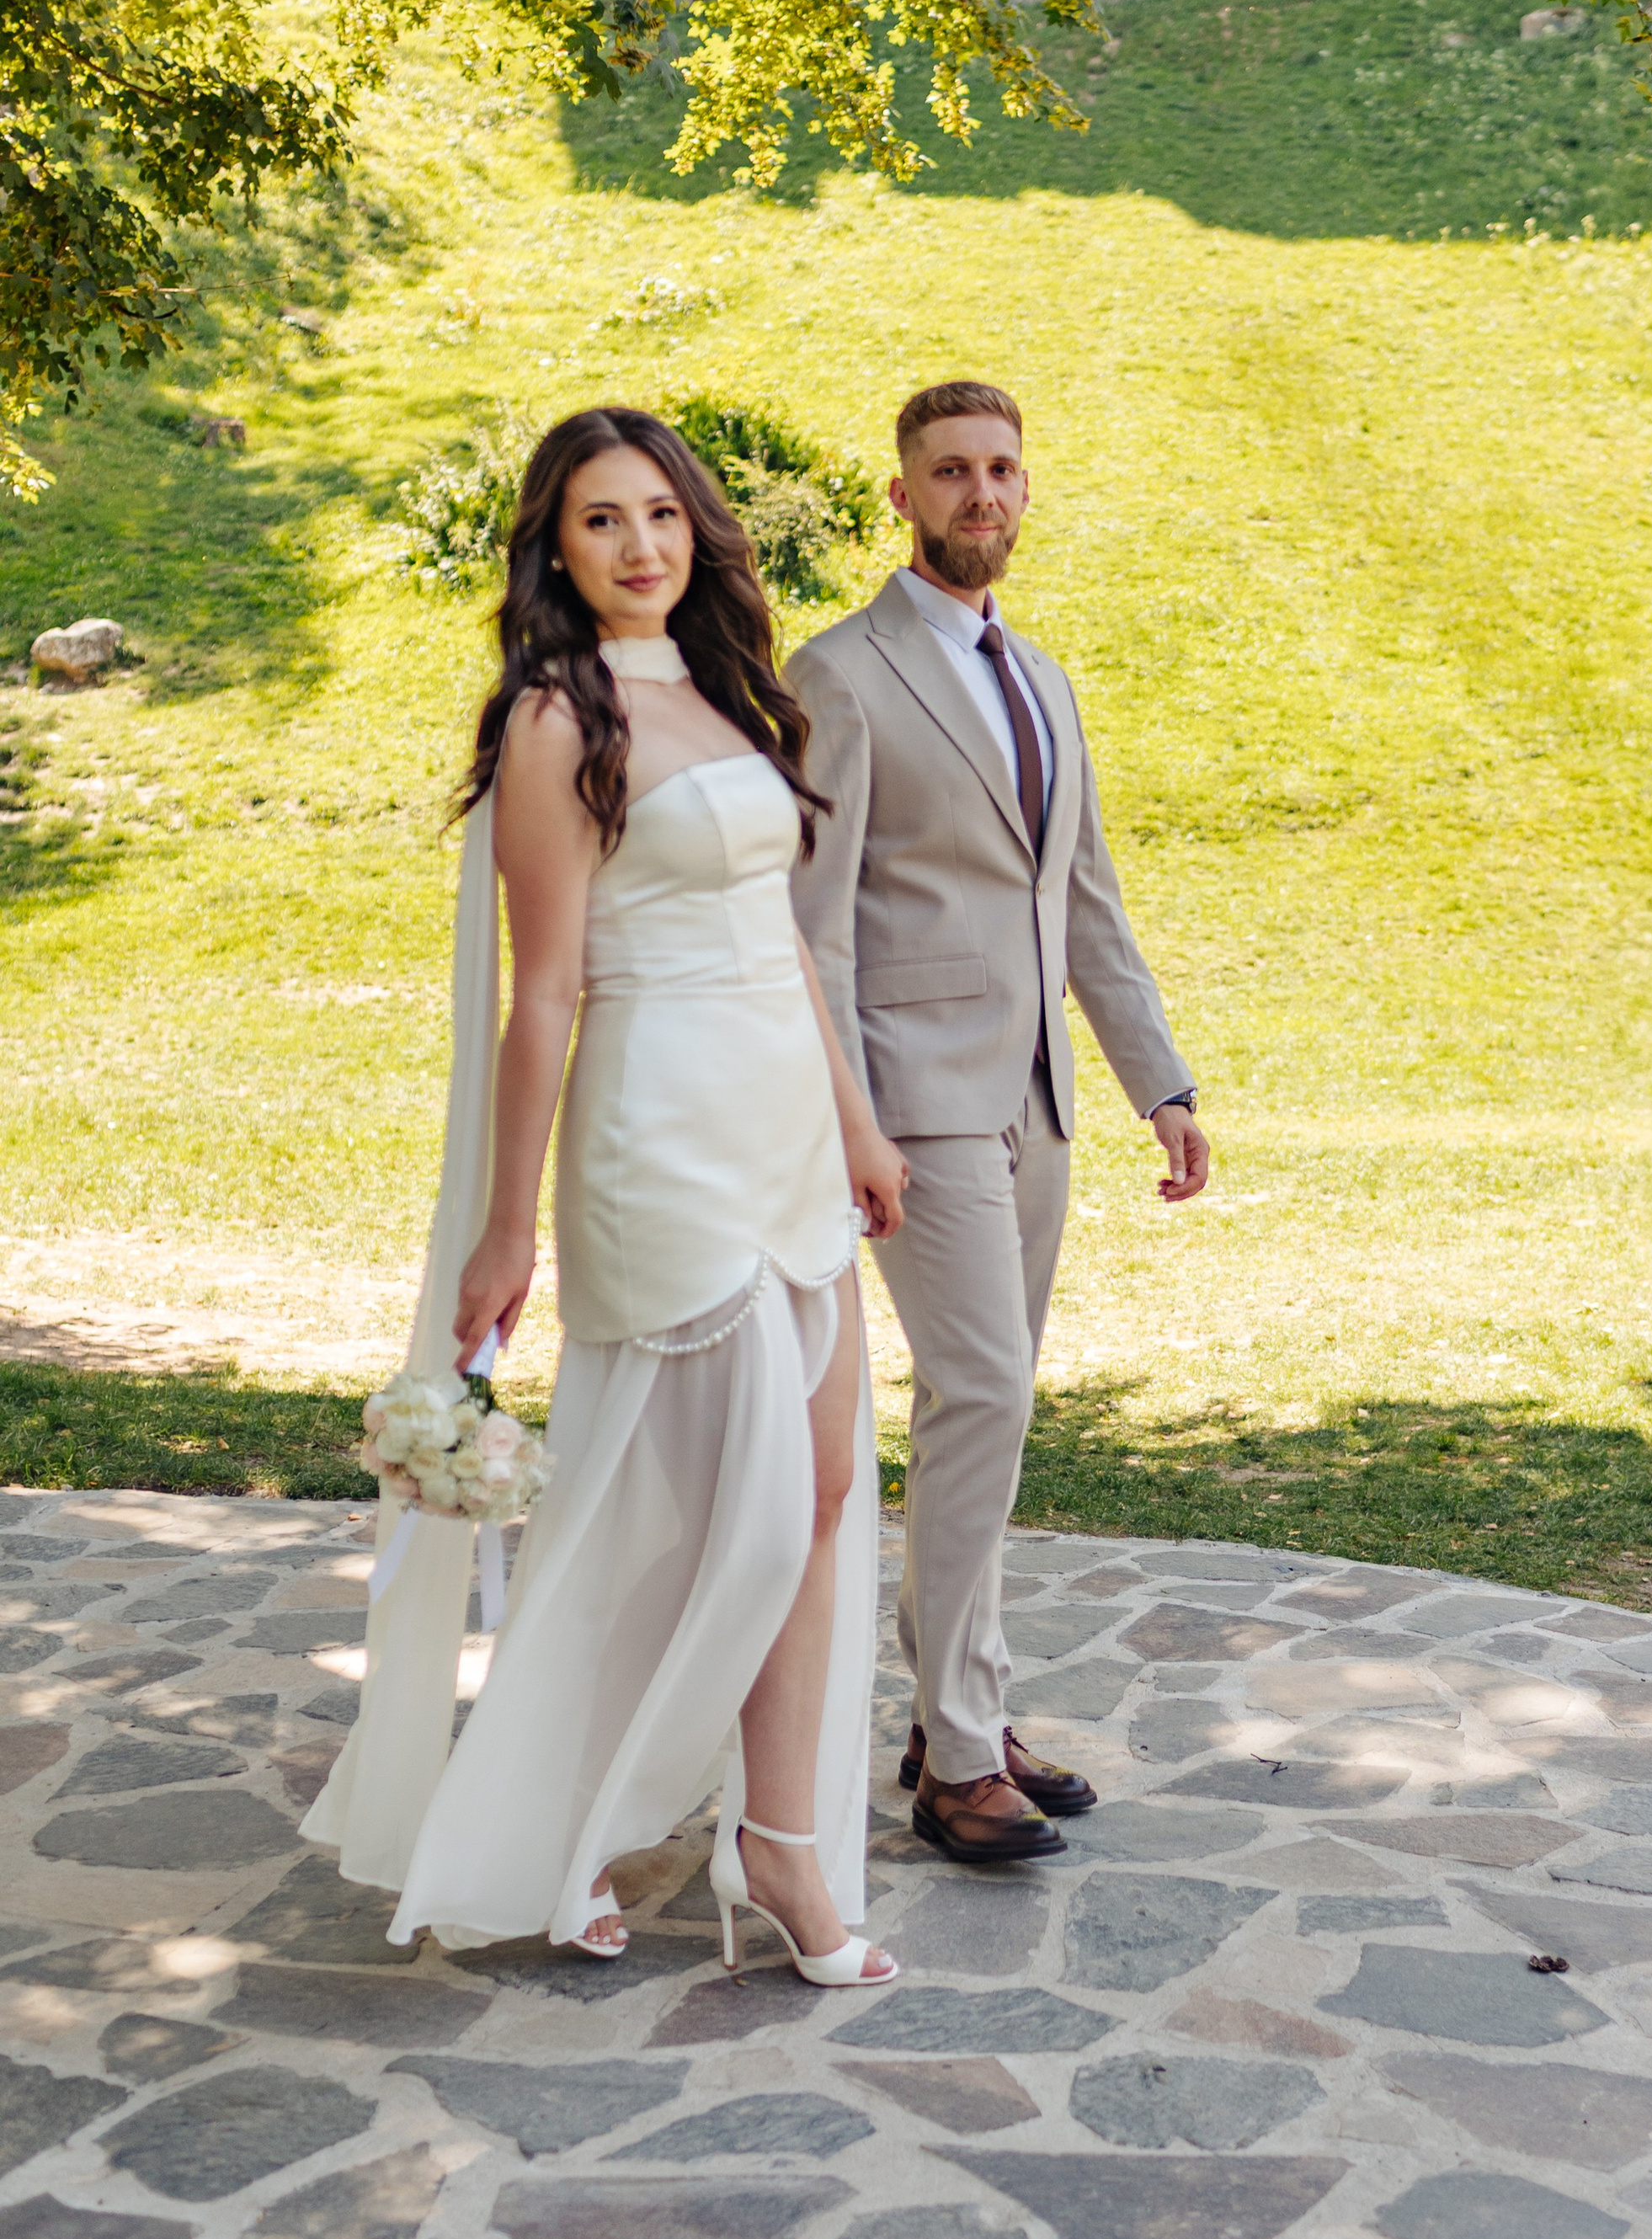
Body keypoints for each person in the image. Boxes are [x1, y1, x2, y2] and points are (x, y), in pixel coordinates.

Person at [304, 408, 904, 1985]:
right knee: (711, 1515)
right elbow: (547, 994)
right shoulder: (555, 720)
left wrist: (857, 1125)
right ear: (554, 552)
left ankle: (776, 1840)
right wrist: (508, 1227)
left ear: (697, 529)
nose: (641, 546)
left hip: (784, 1132)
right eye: (599, 523)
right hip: (659, 1141)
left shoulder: (721, 692)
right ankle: (557, 1825)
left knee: (829, 1499)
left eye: (659, 514)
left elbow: (784, 938)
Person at [789, 379, 1209, 1868]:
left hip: (1034, 1102)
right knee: (985, 1397)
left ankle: (954, 1711)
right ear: (900, 493)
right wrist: (852, 1120)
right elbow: (814, 928)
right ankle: (956, 1761)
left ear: (1029, 490)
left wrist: (1156, 1080)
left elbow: (1083, 899)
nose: (984, 494)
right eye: (952, 471)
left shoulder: (1040, 676)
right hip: (915, 1101)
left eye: (1004, 470)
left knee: (995, 1409)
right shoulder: (839, 676)